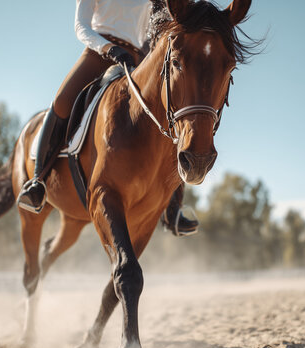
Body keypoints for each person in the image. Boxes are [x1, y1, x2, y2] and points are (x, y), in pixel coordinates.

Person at [17, 0, 198, 235]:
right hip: (99, 52)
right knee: (61, 102)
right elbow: (81, 27)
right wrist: (109, 49)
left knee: (169, 116)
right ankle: (37, 181)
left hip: (139, 59)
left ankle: (173, 208)